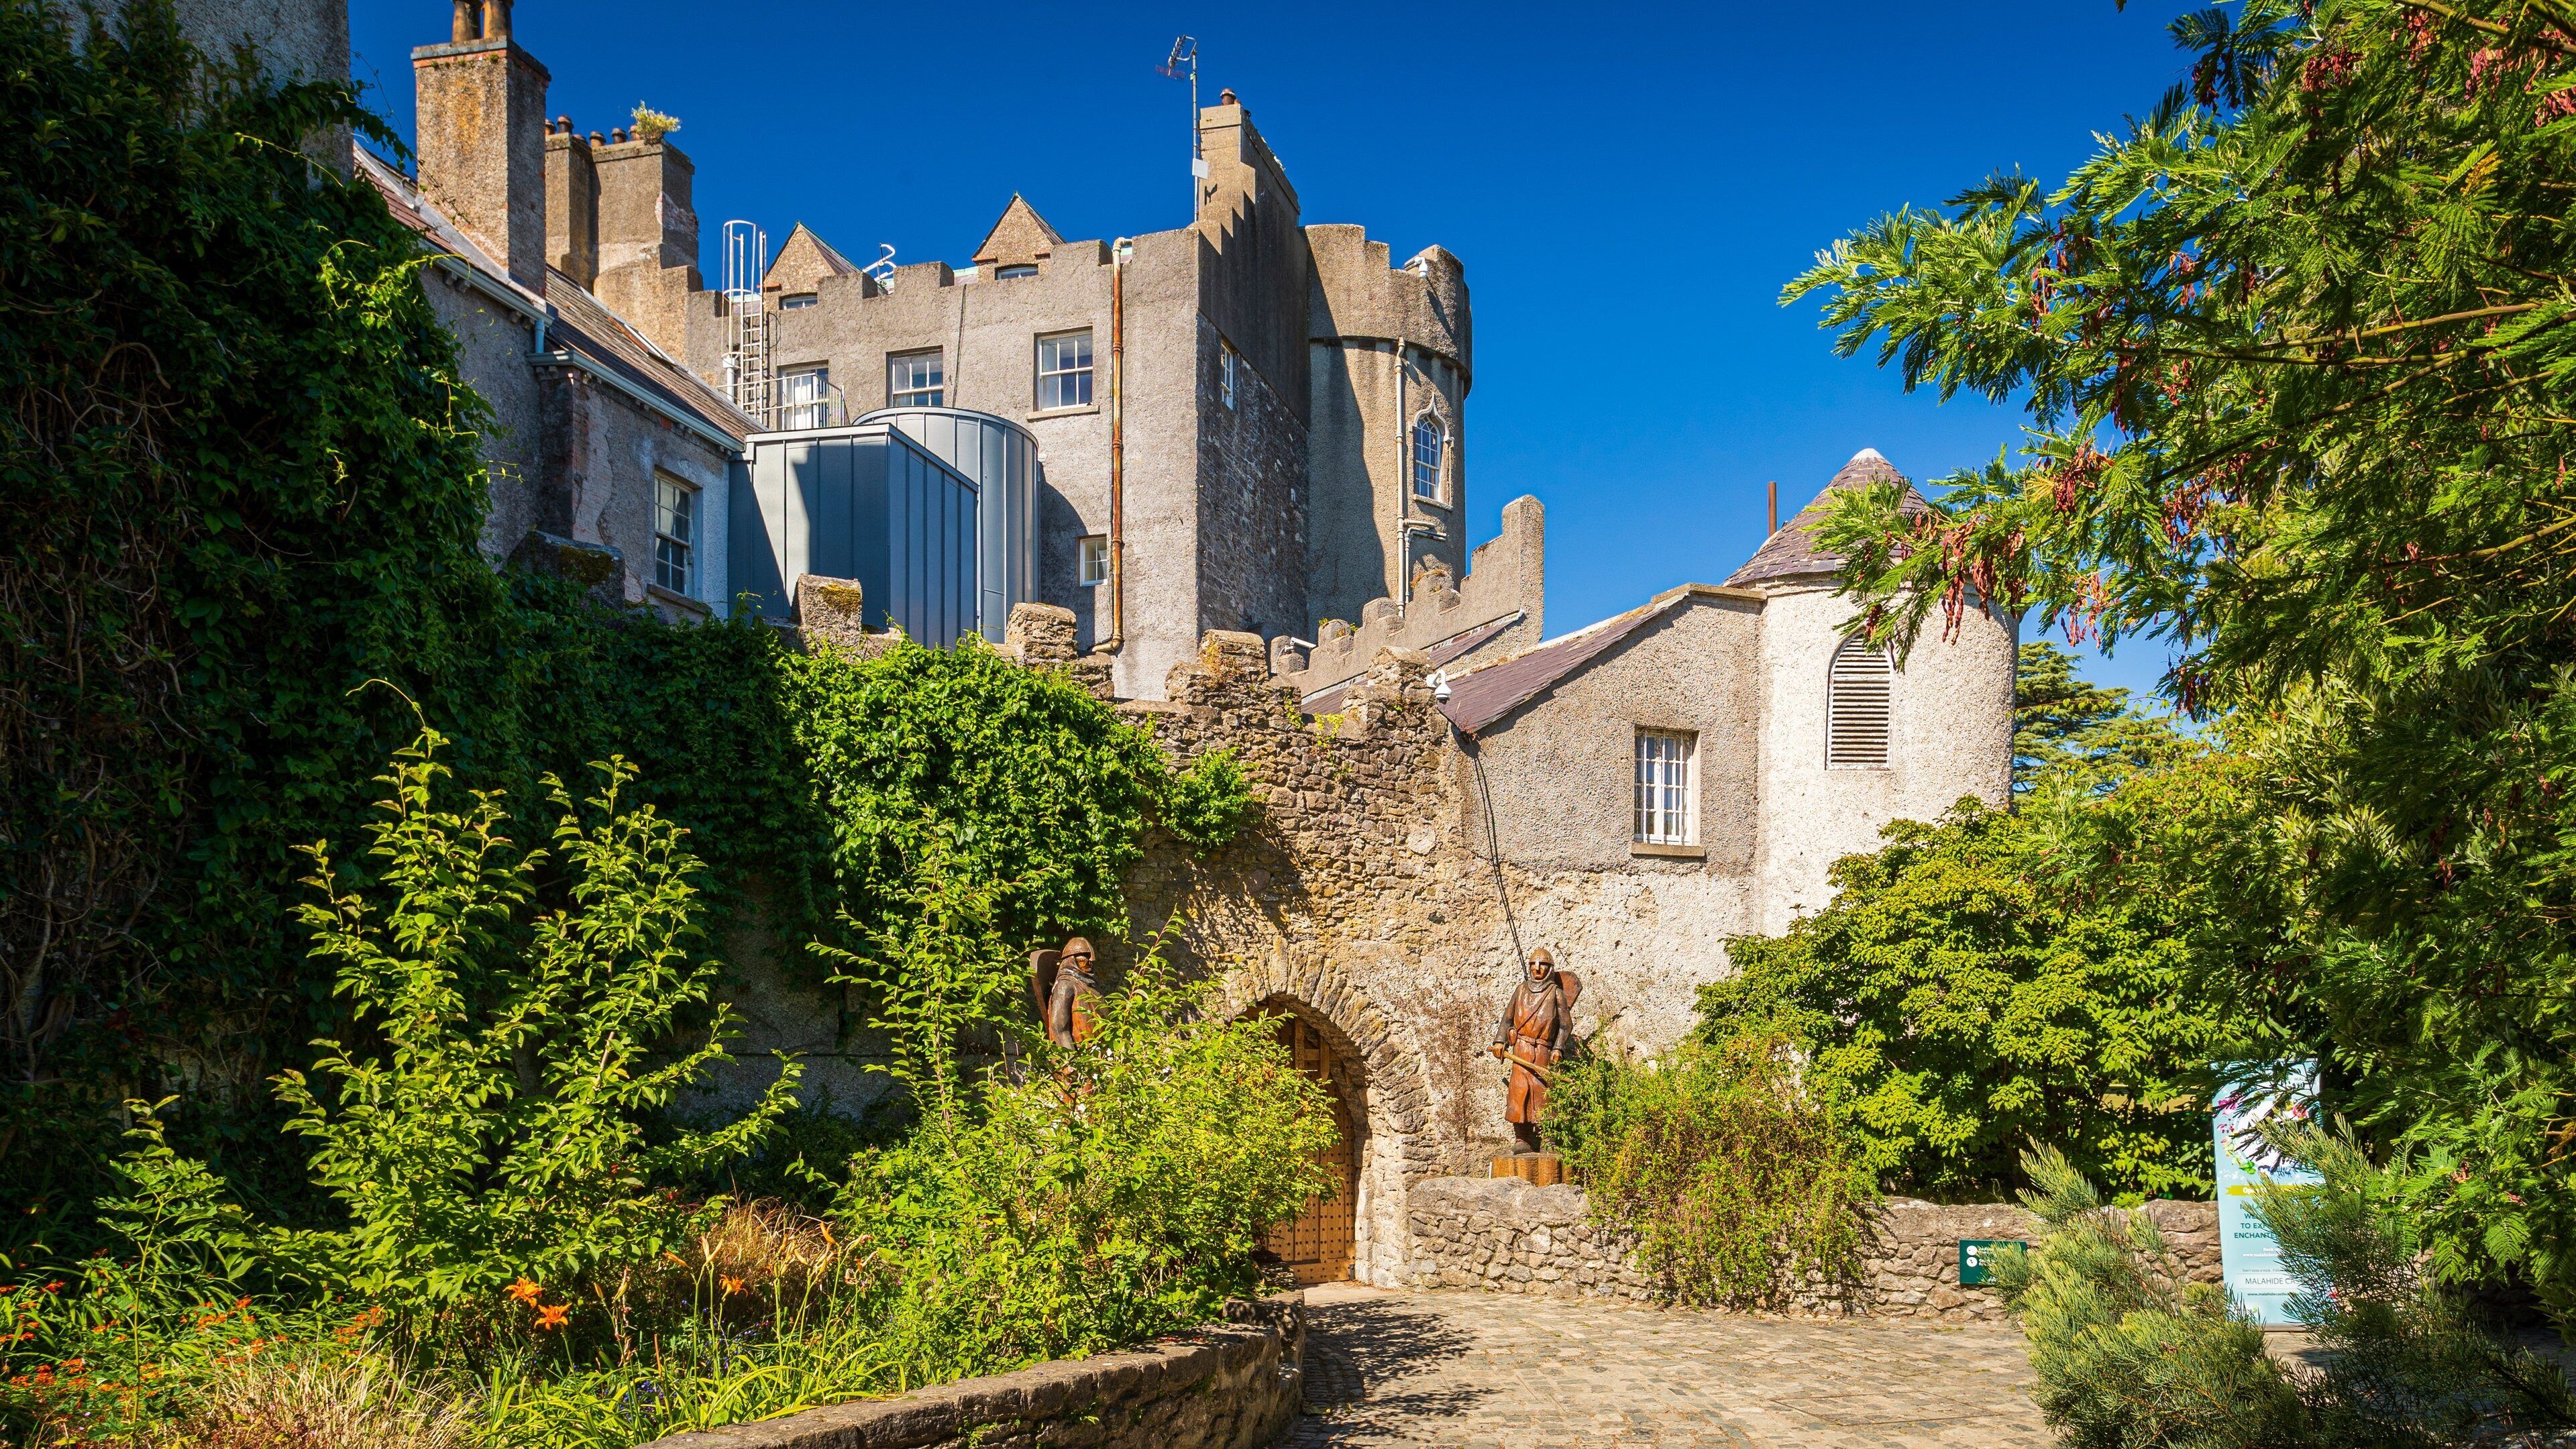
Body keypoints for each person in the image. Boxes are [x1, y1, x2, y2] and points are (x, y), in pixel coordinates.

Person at [1489, 948, 1579, 1154]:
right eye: (1534, 965)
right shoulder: (1520, 990)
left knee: (1543, 1094)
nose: (1538, 969)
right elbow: (1507, 1020)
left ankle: (1549, 1139)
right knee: (1518, 1093)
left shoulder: (1556, 994)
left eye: (1543, 965)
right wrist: (1501, 1042)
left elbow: (1566, 1026)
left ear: (1550, 968)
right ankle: (1522, 1139)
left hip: (1543, 1051)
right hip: (1520, 1050)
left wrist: (1558, 1048)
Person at [1032, 936, 1103, 1048]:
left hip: (1099, 1055)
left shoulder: (1091, 987)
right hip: (1080, 1054)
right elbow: (1059, 1028)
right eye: (1085, 956)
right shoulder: (1065, 985)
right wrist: (1070, 1060)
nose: (1091, 960)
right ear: (1072, 960)